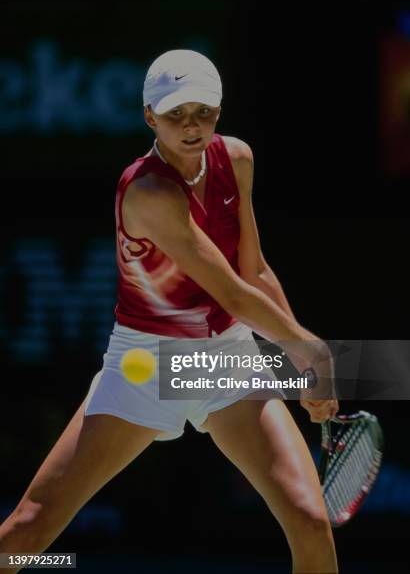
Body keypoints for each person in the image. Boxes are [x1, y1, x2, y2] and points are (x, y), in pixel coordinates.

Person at [0, 49, 339, 573]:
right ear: (149, 117)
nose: (191, 126)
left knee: (310, 521)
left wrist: (301, 361)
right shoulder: (148, 191)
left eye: (202, 111)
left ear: (219, 112)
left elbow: (255, 274)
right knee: (29, 531)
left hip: (225, 360)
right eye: (176, 113)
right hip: (147, 365)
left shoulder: (238, 160)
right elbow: (230, 292)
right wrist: (307, 351)